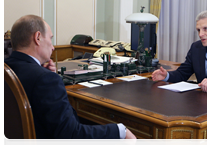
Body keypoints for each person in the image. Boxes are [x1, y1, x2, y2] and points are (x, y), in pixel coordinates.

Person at [5, 15, 137, 145]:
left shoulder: (6, 68)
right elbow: (71, 135)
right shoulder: (45, 79)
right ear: (38, 37)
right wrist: (119, 131)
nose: (52, 47)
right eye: (50, 39)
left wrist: (44, 73)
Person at [152, 10, 207, 97]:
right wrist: (166, 76)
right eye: (198, 30)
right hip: (201, 102)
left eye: (205, 29)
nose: (200, 34)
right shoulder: (196, 47)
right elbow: (183, 73)